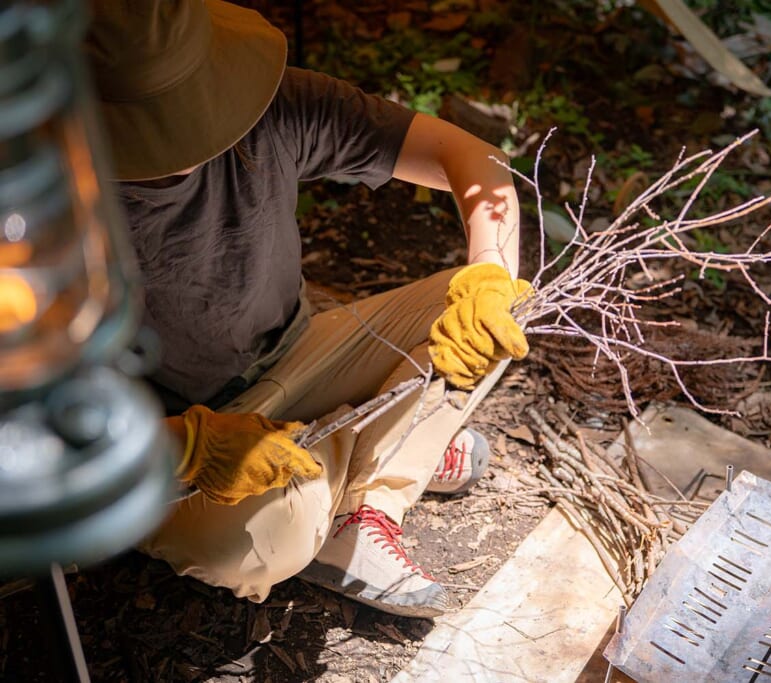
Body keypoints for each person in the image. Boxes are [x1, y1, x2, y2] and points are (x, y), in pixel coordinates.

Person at [83, 0, 532, 619]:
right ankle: (388, 446)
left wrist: (488, 270)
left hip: (299, 353)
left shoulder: (269, 108)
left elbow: (477, 163)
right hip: (165, 436)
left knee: (495, 308)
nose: (190, 137)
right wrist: (182, 448)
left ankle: (364, 499)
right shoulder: (34, 204)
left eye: (191, 103)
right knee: (259, 545)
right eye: (155, 122)